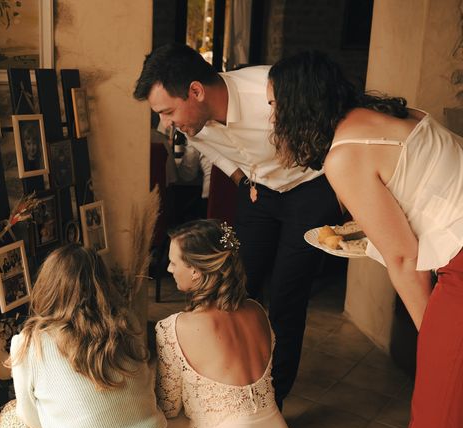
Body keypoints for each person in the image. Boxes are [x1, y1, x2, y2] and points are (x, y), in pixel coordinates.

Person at [268, 50, 463, 428]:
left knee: (440, 416)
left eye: (273, 105)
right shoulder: (390, 114)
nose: (271, 117)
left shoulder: (344, 155)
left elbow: (403, 256)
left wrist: (429, 336)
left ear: (297, 105)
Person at [134, 43, 342, 408]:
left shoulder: (270, 91)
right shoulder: (192, 118)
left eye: (167, 112)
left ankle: (271, 401)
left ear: (196, 91)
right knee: (235, 283)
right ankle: (230, 379)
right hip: (259, 192)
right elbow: (210, 149)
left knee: (285, 297)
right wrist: (243, 180)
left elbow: (336, 128)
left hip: (311, 189)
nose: (165, 125)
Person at [10, 244, 182, 428]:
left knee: (11, 419)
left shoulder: (29, 343)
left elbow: (34, 424)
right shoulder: (126, 323)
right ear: (102, 284)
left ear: (46, 287)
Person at [156, 220, 294, 428]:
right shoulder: (257, 310)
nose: (169, 268)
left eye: (174, 262)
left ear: (196, 271)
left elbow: (168, 407)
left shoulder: (173, 328)